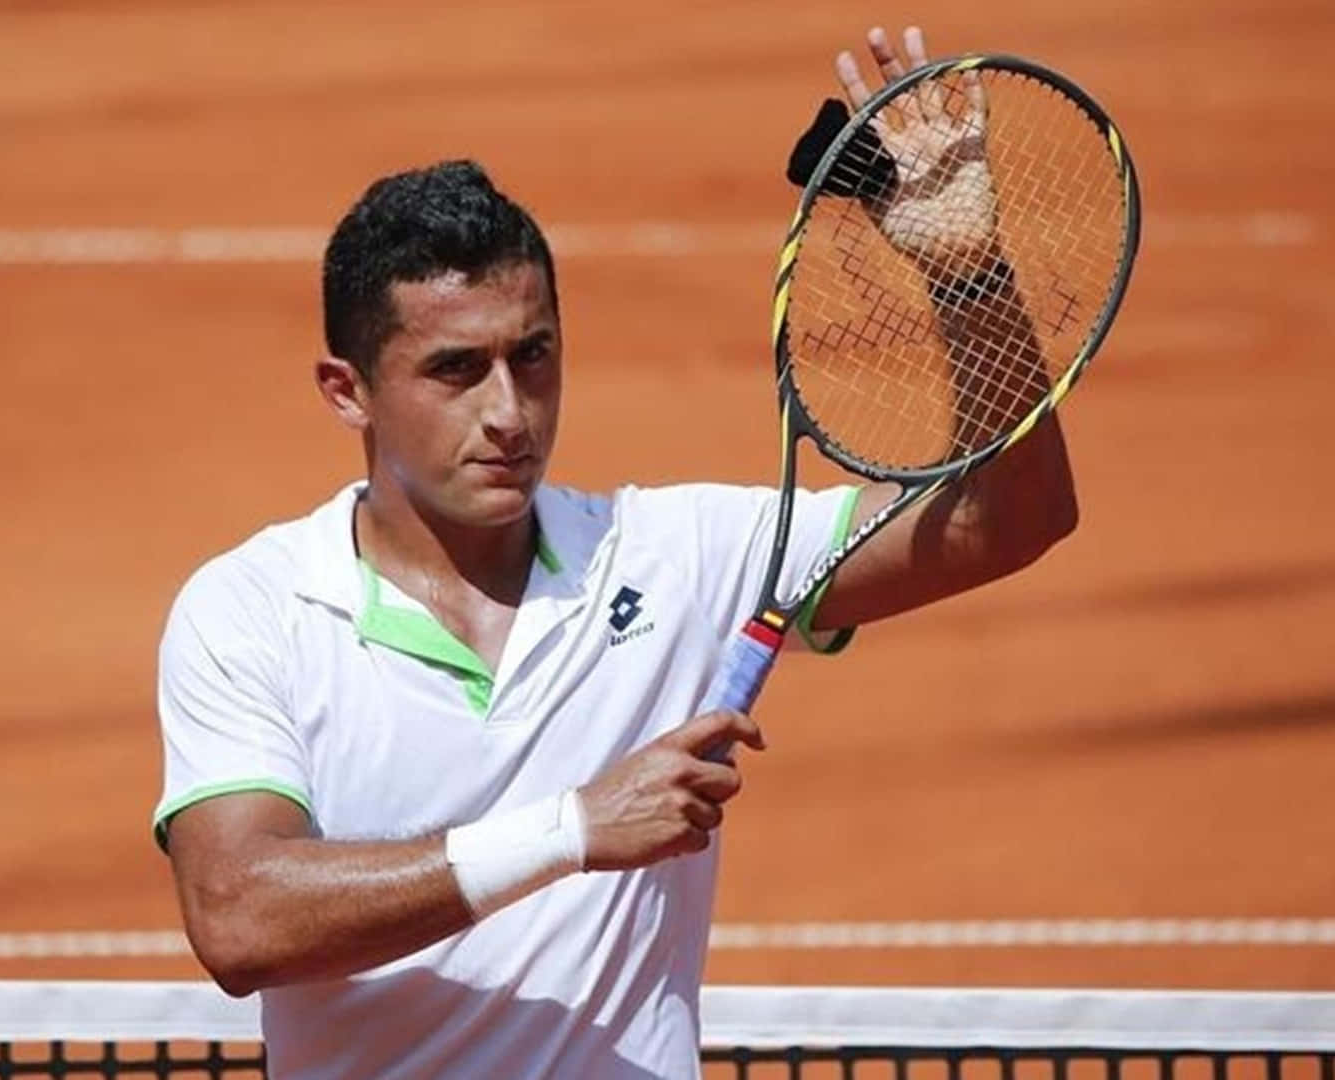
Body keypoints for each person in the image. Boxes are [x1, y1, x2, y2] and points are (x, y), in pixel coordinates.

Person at [154, 24, 1078, 1080]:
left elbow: (1010, 515)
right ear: (347, 390)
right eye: (456, 369)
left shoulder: (677, 558)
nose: (510, 412)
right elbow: (237, 919)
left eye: (534, 355)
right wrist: (574, 830)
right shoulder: (254, 609)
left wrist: (967, 280)